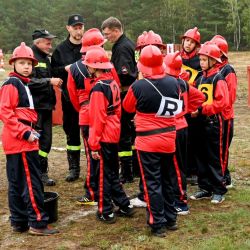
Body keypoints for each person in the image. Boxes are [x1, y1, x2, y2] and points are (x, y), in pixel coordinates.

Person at [123, 45, 182, 237]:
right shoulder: (175, 83)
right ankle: (171, 218)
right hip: (168, 140)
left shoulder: (138, 86)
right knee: (167, 179)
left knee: (152, 183)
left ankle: (157, 223)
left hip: (147, 142)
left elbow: (128, 107)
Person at [0, 42, 59, 235]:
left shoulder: (22, 84)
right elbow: (6, 112)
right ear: (13, 64)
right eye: (22, 62)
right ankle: (37, 223)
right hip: (21, 141)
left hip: (19, 140)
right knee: (31, 182)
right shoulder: (12, 84)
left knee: (16, 182)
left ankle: (19, 221)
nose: (27, 66)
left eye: (29, 63)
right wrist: (25, 132)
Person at [84, 46, 135, 223]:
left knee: (103, 176)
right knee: (112, 172)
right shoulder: (112, 83)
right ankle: (124, 204)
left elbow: (97, 119)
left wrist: (94, 145)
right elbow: (118, 111)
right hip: (113, 131)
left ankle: (106, 211)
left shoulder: (98, 88)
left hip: (104, 134)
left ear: (93, 67)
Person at [67, 28, 107, 204]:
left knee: (92, 156)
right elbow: (112, 86)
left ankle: (92, 191)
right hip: (104, 115)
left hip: (86, 115)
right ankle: (101, 189)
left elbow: (72, 95)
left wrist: (83, 109)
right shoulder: (105, 65)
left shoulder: (74, 68)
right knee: (104, 153)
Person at [164, 51, 205, 215]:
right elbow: (200, 97)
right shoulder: (183, 83)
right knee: (177, 165)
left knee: (175, 166)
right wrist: (188, 108)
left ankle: (181, 202)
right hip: (182, 126)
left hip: (173, 128)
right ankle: (176, 197)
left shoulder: (167, 83)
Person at [190, 42, 229, 204]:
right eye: (201, 60)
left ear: (213, 61)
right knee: (200, 155)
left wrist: (202, 109)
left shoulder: (218, 79)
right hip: (199, 122)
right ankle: (204, 187)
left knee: (214, 156)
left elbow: (222, 103)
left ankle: (219, 189)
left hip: (213, 123)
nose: (201, 62)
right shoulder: (199, 78)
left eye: (205, 60)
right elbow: (193, 97)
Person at [101, 16, 138, 184]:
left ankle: (127, 172)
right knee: (129, 133)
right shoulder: (125, 43)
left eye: (108, 34)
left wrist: (110, 85)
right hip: (128, 93)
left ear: (116, 30)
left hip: (124, 94)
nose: (107, 37)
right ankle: (132, 168)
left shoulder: (122, 47)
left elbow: (124, 74)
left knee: (124, 133)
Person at [51, 14, 84, 182]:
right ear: (68, 28)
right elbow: (54, 72)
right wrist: (66, 68)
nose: (78, 30)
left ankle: (95, 164)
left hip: (88, 98)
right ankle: (74, 168)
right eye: (75, 27)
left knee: (90, 132)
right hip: (69, 98)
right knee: (71, 133)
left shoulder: (89, 47)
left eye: (80, 27)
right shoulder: (60, 49)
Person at [29, 29, 63, 186]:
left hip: (47, 107)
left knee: (46, 141)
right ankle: (35, 173)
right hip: (35, 109)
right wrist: (49, 81)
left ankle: (42, 172)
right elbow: (29, 82)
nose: (50, 45)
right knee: (35, 140)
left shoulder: (45, 58)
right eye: (47, 42)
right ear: (38, 42)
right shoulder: (30, 58)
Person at [210, 35, 237, 188]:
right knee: (216, 149)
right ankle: (218, 177)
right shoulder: (212, 70)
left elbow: (230, 97)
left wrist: (217, 109)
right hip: (214, 116)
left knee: (223, 150)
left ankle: (225, 179)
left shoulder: (228, 70)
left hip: (224, 117)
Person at [180, 27, 203, 185]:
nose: (188, 44)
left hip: (193, 102)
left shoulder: (199, 61)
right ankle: (185, 169)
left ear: (196, 45)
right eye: (187, 40)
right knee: (183, 138)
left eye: (192, 42)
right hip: (180, 102)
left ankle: (194, 171)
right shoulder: (177, 58)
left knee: (194, 137)